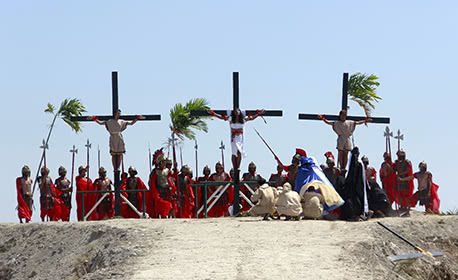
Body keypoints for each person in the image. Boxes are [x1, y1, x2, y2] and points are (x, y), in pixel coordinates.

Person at [338, 147, 369, 221]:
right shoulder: (355, 163)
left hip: (357, 187)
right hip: (352, 187)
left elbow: (355, 176)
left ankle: (358, 215)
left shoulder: (358, 163)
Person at [148, 149, 177, 218]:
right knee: (160, 207)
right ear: (160, 162)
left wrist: (175, 169)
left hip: (167, 191)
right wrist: (155, 194)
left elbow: (174, 177)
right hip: (159, 191)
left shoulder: (167, 170)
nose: (165, 163)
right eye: (163, 162)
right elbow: (152, 183)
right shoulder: (155, 172)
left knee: (171, 207)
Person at [394, 150, 414, 216]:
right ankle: (400, 206)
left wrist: (401, 174)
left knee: (405, 194)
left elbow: (408, 170)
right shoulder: (397, 162)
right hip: (398, 179)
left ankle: (405, 206)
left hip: (405, 179)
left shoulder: (407, 162)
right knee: (399, 193)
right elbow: (394, 169)